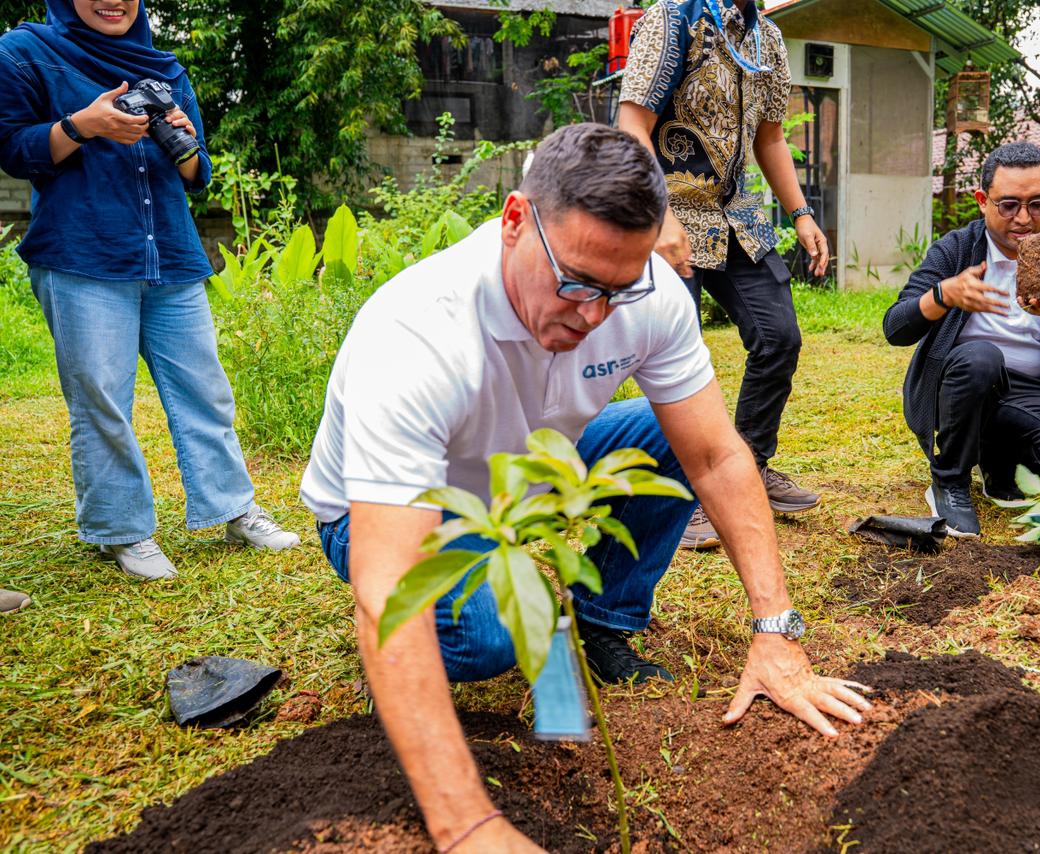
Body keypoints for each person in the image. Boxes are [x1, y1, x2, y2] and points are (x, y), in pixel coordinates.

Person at [301, 124, 871, 853]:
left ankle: (603, 619)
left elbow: (719, 460)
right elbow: (390, 590)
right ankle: (444, 642)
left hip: (533, 475)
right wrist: (468, 826)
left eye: (618, 289)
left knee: (674, 430)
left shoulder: (645, 291)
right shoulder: (416, 336)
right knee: (492, 637)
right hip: (396, 513)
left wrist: (775, 629)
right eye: (574, 283)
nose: (593, 314)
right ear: (513, 221)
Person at [0, 0, 299, 581]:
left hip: (171, 251)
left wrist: (182, 140)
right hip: (83, 253)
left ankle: (233, 507)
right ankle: (124, 531)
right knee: (103, 398)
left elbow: (197, 174)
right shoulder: (24, 52)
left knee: (205, 389)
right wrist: (82, 126)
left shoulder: (163, 67)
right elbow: (11, 149)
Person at [617, 0, 830, 550]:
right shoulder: (673, 19)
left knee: (779, 336)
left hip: (735, 213)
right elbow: (631, 124)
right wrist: (658, 216)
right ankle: (684, 493)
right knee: (675, 359)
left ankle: (750, 465)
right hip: (670, 212)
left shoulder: (769, 39)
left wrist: (802, 214)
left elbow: (771, 138)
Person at [882, 141, 1040, 537]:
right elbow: (895, 328)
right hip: (964, 381)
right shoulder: (956, 249)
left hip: (1030, 389)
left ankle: (999, 467)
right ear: (983, 201)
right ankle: (949, 480)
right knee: (981, 357)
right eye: (1008, 205)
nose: (1023, 218)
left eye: (1037, 205)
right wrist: (942, 295)